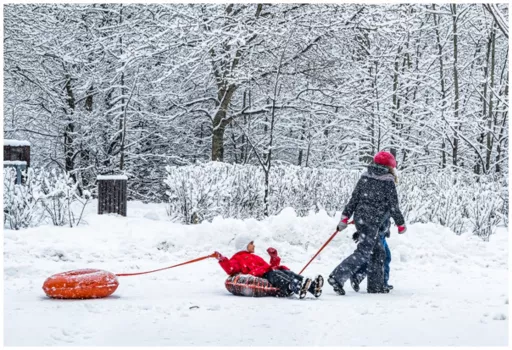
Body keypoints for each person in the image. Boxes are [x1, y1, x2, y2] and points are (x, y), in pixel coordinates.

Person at [328, 151, 406, 295]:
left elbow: (354, 199)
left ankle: (375, 286)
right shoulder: (387, 180)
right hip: (374, 222)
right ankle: (337, 276)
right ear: (390, 167)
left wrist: (344, 218)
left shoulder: (365, 177)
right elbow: (393, 206)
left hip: (361, 219)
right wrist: (401, 224)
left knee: (378, 252)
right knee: (364, 252)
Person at [214, 234, 324, 299]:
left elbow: (270, 266)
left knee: (287, 273)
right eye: (251, 243)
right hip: (262, 275)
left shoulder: (255, 257)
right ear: (244, 244)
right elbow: (230, 269)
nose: (254, 245)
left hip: (268, 272)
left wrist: (274, 257)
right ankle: (295, 287)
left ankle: (313, 287)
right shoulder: (237, 258)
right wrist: (222, 259)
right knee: (276, 275)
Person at [349, 217, 394, 292]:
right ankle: (381, 282)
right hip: (377, 233)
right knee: (379, 258)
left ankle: (358, 275)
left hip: (380, 233)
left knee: (383, 258)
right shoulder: (383, 206)